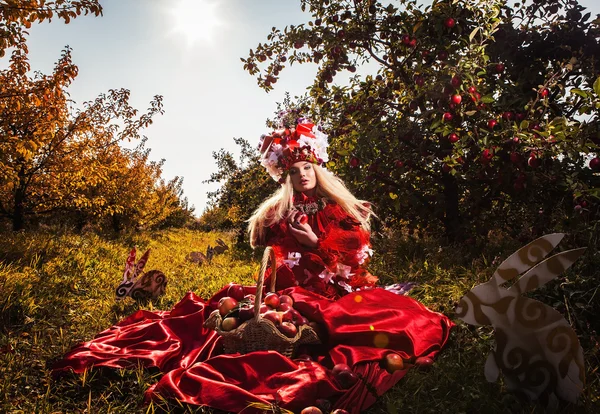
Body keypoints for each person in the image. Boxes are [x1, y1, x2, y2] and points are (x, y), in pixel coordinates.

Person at [53, 112, 453, 414]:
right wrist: (282, 234)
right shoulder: (279, 213)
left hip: (333, 290)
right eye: (293, 172)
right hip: (288, 294)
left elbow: (355, 254)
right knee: (245, 312)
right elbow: (266, 248)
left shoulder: (337, 209)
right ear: (286, 177)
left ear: (317, 168)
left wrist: (317, 242)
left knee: (379, 316)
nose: (301, 176)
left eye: (307, 169)